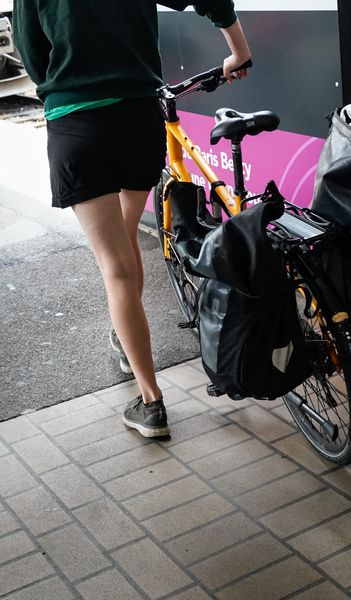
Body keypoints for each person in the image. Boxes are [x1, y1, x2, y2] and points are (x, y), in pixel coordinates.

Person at [13, 1, 251, 438]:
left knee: (115, 268)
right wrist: (238, 50)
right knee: (125, 238)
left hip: (76, 122)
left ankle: (151, 402)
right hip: (138, 117)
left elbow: (31, 53)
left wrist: (67, 80)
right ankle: (126, 343)